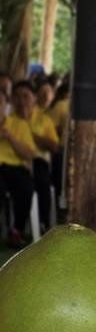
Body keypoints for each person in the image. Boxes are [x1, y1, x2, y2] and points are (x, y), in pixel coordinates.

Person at [17, 82, 59, 231]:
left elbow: (54, 147)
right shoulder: (9, 119)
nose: (21, 101)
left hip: (38, 161)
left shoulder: (44, 119)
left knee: (42, 181)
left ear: (34, 98)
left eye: (25, 96)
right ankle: (17, 228)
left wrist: (28, 132)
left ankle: (44, 223)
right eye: (17, 97)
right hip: (15, 162)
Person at [0, 89, 38, 246]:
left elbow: (29, 155)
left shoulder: (19, 124)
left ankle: (17, 230)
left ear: (5, 105)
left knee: (25, 187)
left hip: (15, 167)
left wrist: (10, 138)